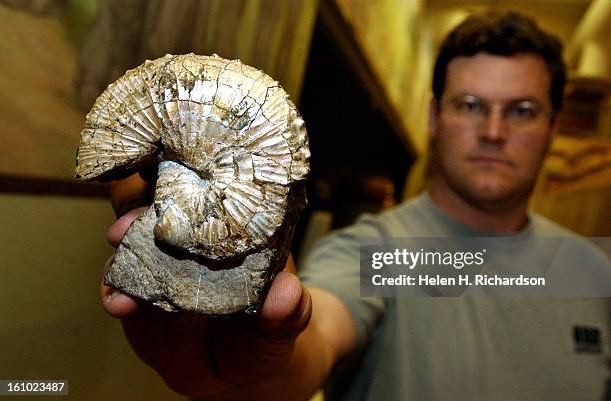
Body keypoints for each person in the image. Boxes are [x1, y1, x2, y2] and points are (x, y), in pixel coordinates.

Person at [102, 10, 611, 401]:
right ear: (434, 117)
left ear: (554, 124)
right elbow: (316, 333)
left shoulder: (593, 268)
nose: (494, 132)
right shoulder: (377, 253)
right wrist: (256, 365)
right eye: (470, 105)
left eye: (522, 111)